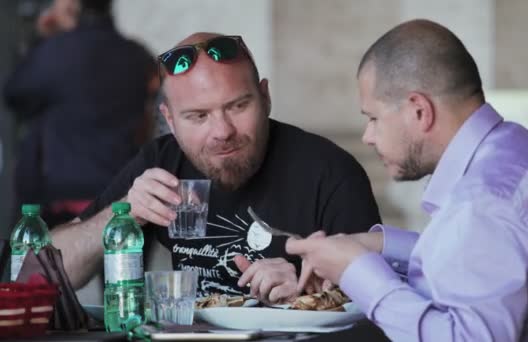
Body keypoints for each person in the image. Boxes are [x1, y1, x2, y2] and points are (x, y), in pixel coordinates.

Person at [287, 19, 528, 341]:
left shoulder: (485, 200)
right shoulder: (514, 148)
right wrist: (376, 248)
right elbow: (486, 258)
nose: (367, 136)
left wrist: (357, 272)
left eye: (373, 118)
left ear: (419, 111)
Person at [50, 32, 381, 304]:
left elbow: (378, 303)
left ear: (265, 97)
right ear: (170, 120)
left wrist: (306, 291)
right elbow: (43, 273)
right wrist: (121, 216)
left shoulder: (329, 172)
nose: (222, 131)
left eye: (238, 106)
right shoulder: (161, 161)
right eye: (198, 116)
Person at [3, 0, 158, 227]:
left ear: (70, 7)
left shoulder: (56, 50)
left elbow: (15, 93)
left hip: (62, 195)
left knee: (48, 260)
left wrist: (44, 39)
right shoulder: (137, 54)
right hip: (123, 188)